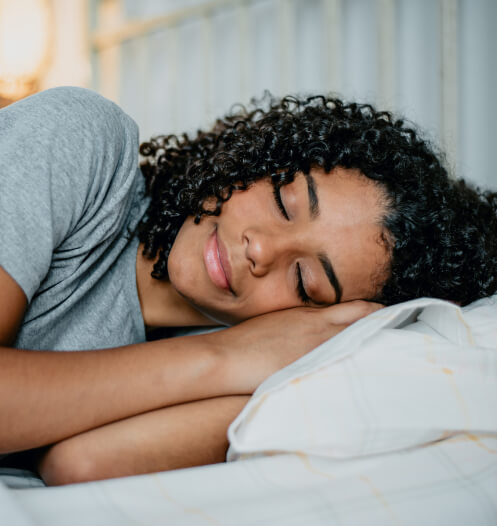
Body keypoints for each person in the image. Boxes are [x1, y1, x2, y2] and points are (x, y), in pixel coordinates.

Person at [0, 87, 496, 486]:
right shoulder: (84, 142)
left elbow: (81, 466)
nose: (261, 249)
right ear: (261, 159)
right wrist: (226, 356)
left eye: (305, 280)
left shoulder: (238, 362)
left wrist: (269, 361)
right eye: (284, 201)